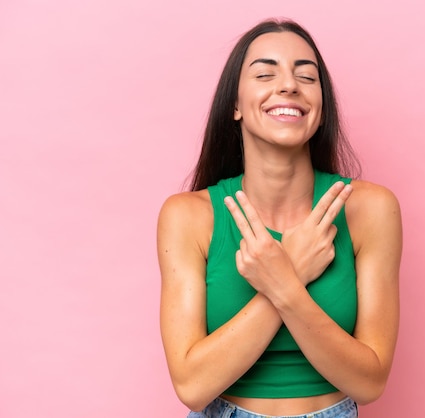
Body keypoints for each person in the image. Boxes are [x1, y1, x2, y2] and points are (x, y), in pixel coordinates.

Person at [157, 18, 402, 418]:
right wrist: (290, 272)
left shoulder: (369, 209)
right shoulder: (188, 217)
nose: (289, 85)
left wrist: (284, 283)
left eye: (307, 76)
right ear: (235, 105)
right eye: (266, 73)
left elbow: (369, 382)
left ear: (320, 109)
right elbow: (192, 386)